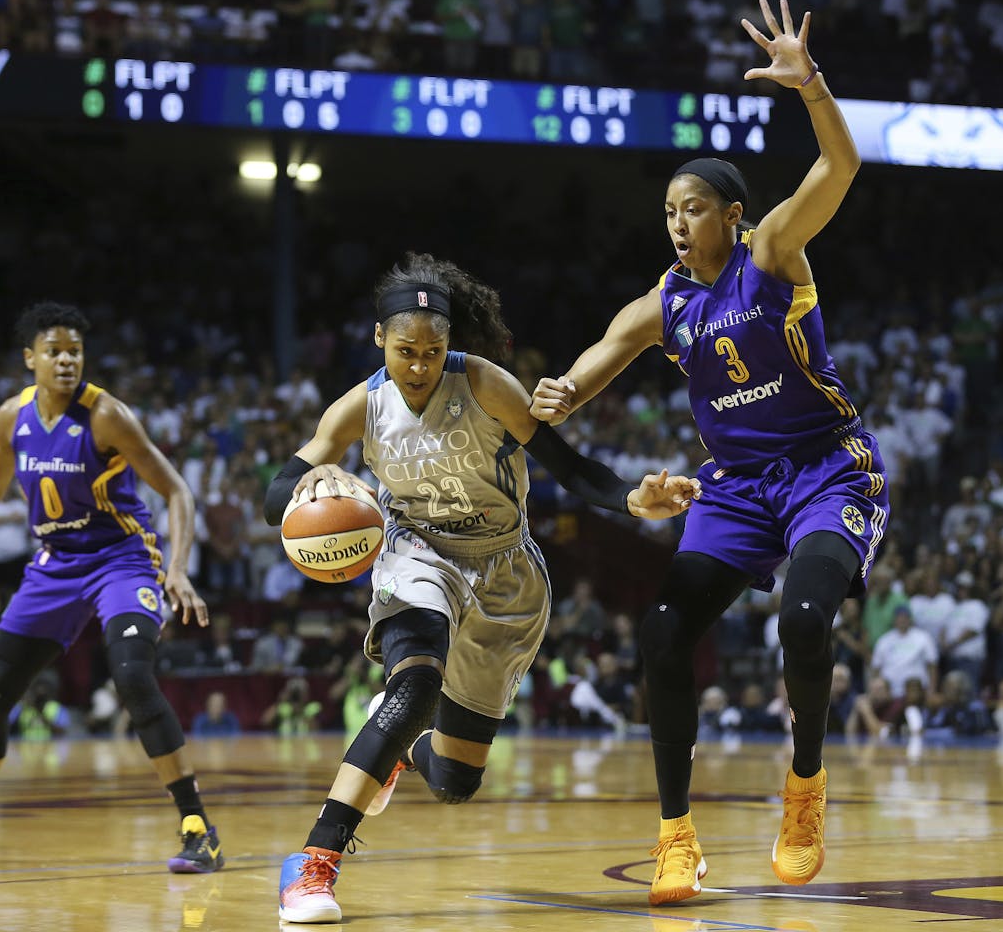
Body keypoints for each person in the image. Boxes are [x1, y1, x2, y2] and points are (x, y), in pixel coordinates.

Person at [530, 0, 883, 898]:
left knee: (803, 623)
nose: (678, 224)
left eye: (692, 209)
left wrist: (812, 89)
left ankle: (804, 784)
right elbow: (601, 353)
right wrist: (564, 389)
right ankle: (676, 835)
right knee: (662, 632)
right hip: (733, 489)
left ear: (731, 213)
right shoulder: (666, 303)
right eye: (667, 213)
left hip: (825, 469)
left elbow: (841, 166)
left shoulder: (772, 253)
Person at [263, 253, 698, 924]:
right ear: (380, 340)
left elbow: (569, 465)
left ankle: (399, 748)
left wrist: (633, 500)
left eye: (433, 351)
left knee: (458, 780)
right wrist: (315, 482)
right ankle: (313, 863)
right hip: (417, 552)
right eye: (406, 350)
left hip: (504, 572)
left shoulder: (487, 384)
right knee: (415, 687)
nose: (420, 364)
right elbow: (274, 495)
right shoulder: (361, 406)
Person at [0, 302, 225, 874]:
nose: (67, 360)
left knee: (131, 676)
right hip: (54, 568)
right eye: (55, 351)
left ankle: (198, 825)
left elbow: (177, 492)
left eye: (75, 351)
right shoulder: (10, 419)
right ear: (31, 360)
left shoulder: (107, 416)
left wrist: (177, 567)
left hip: (121, 561)